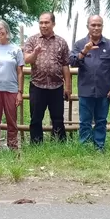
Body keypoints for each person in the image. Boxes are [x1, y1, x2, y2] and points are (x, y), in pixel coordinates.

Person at [70, 15, 110, 150]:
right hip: (85, 90)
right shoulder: (79, 44)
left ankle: (99, 147)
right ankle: (85, 146)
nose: (96, 28)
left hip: (104, 91)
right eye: (93, 25)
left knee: (101, 121)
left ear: (102, 26)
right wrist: (84, 51)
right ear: (88, 26)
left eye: (99, 25)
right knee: (85, 121)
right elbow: (72, 62)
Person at [23, 12, 71, 143]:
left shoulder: (61, 42)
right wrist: (35, 52)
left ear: (53, 24)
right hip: (38, 85)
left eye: (46, 22)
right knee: (36, 118)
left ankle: (59, 144)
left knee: (58, 118)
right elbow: (27, 60)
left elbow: (65, 65)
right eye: (41, 22)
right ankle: (36, 144)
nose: (43, 25)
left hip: (56, 86)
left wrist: (68, 87)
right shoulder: (32, 40)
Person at [0, 20, 24, 150]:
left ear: (7, 30)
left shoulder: (16, 49)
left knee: (11, 120)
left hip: (11, 90)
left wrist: (20, 92)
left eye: (1, 29)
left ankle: (13, 145)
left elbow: (20, 72)